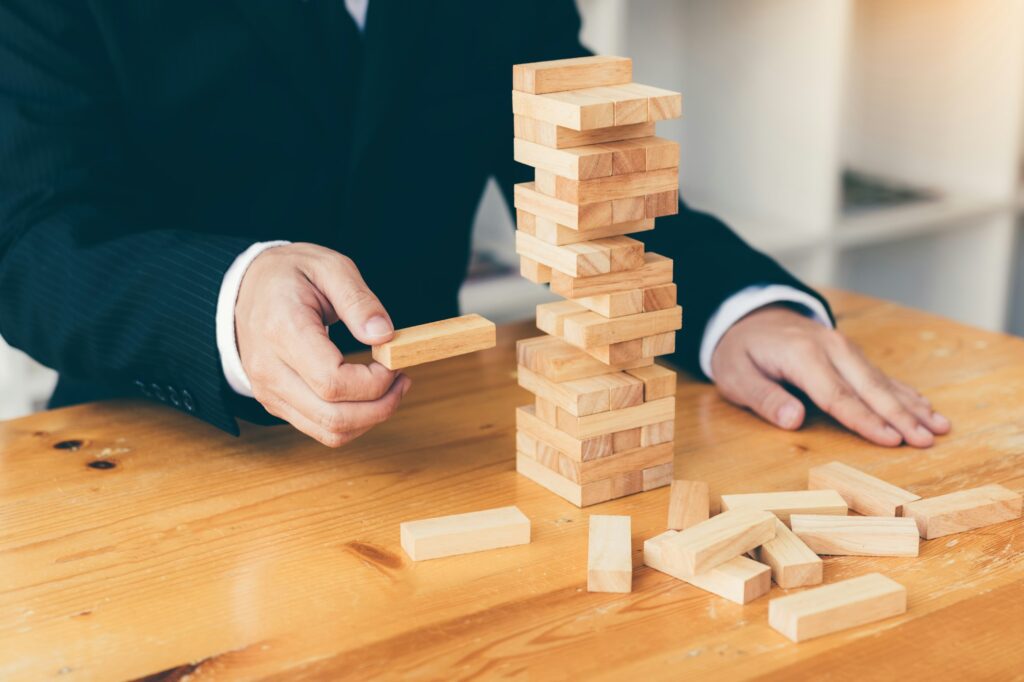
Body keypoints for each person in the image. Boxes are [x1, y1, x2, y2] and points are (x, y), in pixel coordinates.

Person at [0, 0, 949, 449]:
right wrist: (229, 299)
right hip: (145, 448)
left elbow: (585, 171)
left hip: (431, 437)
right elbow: (30, 233)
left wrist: (737, 307)